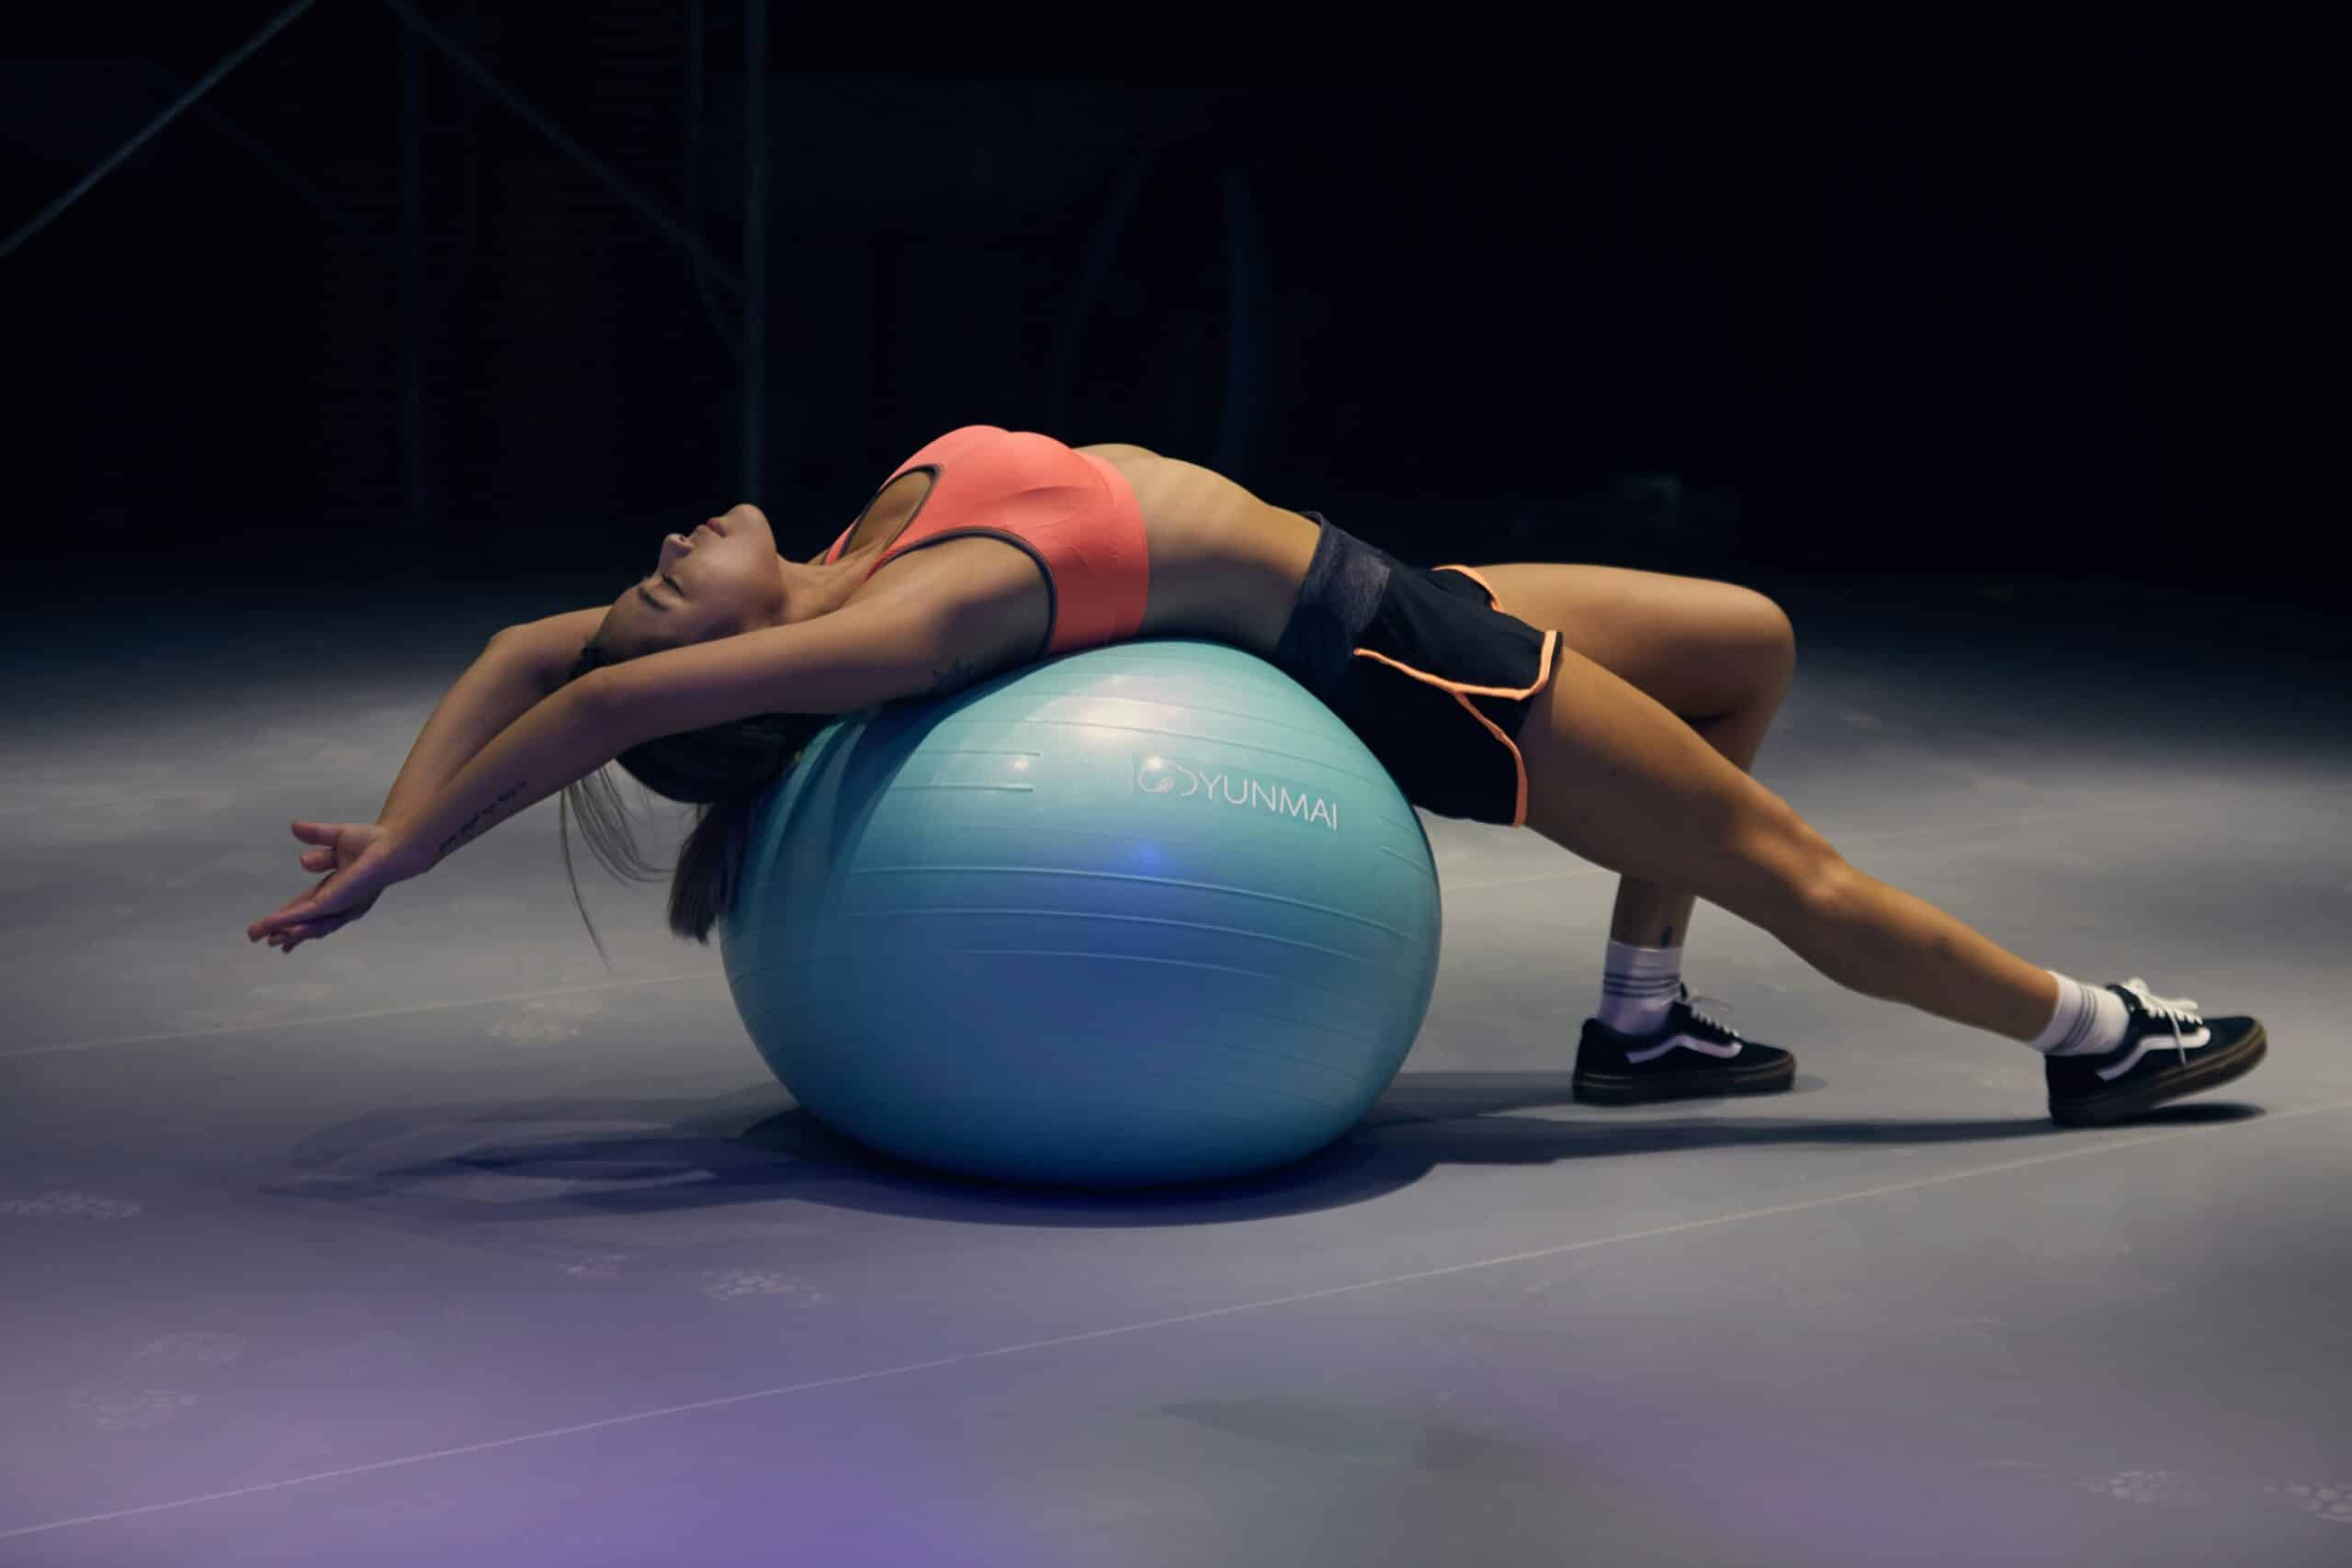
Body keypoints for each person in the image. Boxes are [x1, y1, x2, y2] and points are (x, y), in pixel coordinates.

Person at [246, 424, 2265, 1126]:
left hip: (1373, 580)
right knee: (1784, 863)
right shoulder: (873, 628)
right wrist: (411, 857)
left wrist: (403, 792)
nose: (661, 544)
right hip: (1395, 659)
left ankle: (1638, 1026)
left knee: (1747, 640)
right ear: (732, 665)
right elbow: (583, 705)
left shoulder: (848, 556)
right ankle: (2084, 1027)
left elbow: (532, 655)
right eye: (656, 587)